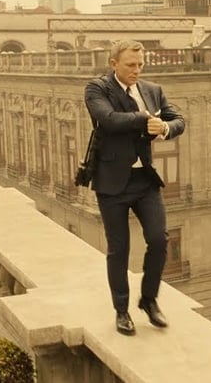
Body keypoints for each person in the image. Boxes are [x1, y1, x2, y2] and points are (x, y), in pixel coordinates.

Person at [84, 39, 187, 336]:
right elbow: (109, 120)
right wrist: (146, 120)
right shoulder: (97, 89)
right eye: (130, 65)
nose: (137, 70)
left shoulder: (152, 90)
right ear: (114, 63)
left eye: (141, 64)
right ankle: (121, 311)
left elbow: (179, 120)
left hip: (144, 181)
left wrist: (165, 128)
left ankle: (149, 300)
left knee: (159, 239)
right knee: (119, 249)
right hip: (112, 182)